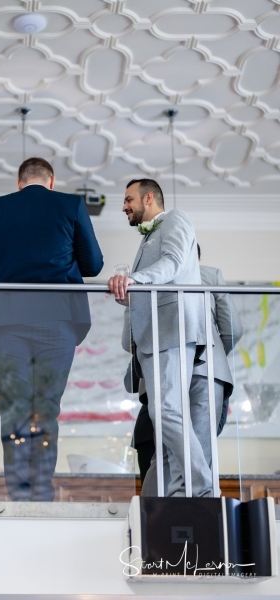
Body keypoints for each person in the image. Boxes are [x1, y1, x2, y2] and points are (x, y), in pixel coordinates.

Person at [0, 157, 103, 501]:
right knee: (46, 408)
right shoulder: (70, 204)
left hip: (7, 322)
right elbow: (94, 265)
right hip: (58, 321)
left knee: (14, 408)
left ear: (19, 182)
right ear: (51, 181)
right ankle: (41, 493)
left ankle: (18, 495)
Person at [108, 178, 211, 497]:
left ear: (148, 197)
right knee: (163, 416)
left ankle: (203, 488)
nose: (124, 206)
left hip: (171, 328)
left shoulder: (176, 219)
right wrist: (130, 293)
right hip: (152, 336)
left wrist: (133, 278)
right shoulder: (147, 237)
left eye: (128, 199)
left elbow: (175, 263)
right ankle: (166, 499)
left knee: (166, 411)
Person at [132, 244, 244, 489]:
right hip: (206, 371)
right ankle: (197, 515)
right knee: (198, 452)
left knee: (163, 457)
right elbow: (233, 330)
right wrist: (207, 355)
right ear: (197, 258)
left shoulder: (144, 279)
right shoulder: (209, 274)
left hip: (160, 371)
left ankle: (149, 519)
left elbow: (130, 338)